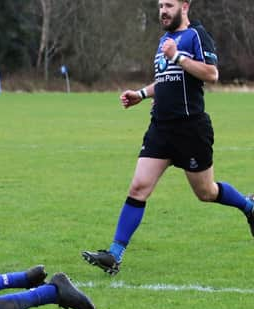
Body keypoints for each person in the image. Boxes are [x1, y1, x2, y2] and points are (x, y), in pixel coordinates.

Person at [82, 0, 254, 275]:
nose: (163, 11)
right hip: (161, 128)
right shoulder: (164, 40)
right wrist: (141, 94)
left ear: (185, 6)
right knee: (138, 188)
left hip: (191, 129)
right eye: (160, 5)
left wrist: (178, 56)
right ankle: (114, 255)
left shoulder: (196, 35)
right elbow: (165, 79)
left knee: (206, 192)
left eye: (169, 5)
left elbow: (212, 74)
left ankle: (249, 206)